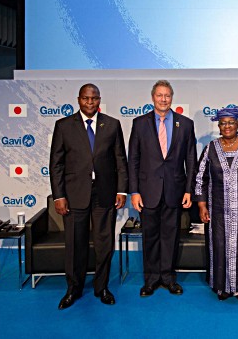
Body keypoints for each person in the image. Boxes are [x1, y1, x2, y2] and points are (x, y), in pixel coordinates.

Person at [49, 83, 128, 310]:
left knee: (105, 244)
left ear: (99, 100)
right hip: (74, 195)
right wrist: (59, 195)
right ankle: (73, 289)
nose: (90, 103)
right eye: (86, 99)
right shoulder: (63, 126)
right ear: (78, 100)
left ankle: (101, 287)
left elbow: (120, 160)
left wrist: (121, 190)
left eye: (94, 99)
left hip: (105, 194)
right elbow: (56, 164)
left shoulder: (112, 124)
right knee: (75, 244)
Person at [128, 80, 197, 296]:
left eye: (167, 95)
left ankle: (168, 278)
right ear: (153, 98)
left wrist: (188, 190)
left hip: (174, 191)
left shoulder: (185, 124)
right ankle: (151, 280)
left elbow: (191, 160)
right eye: (159, 95)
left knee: (171, 236)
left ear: (172, 98)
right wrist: (135, 191)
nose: (163, 99)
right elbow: (134, 160)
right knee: (150, 237)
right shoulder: (139, 123)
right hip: (148, 191)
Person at [194, 106, 238, 301]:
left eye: (231, 123)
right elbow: (200, 178)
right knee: (218, 247)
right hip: (217, 212)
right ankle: (221, 287)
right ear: (219, 126)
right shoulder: (211, 148)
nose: (227, 127)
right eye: (223, 123)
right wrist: (202, 205)